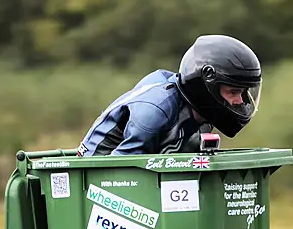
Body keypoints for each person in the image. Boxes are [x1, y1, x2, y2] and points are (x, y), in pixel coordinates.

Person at [76, 35, 262, 157]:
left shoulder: (204, 115)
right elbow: (120, 171)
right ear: (206, 87)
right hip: (93, 176)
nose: (239, 101)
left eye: (242, 93)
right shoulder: (155, 110)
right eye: (232, 92)